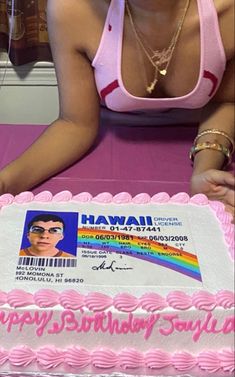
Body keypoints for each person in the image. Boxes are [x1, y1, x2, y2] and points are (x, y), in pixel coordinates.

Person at [0, 0, 234, 218]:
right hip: (107, 146)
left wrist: (206, 167)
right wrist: (6, 183)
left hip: (195, 142)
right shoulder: (72, 7)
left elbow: (225, 102)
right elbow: (76, 125)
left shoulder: (228, 10)